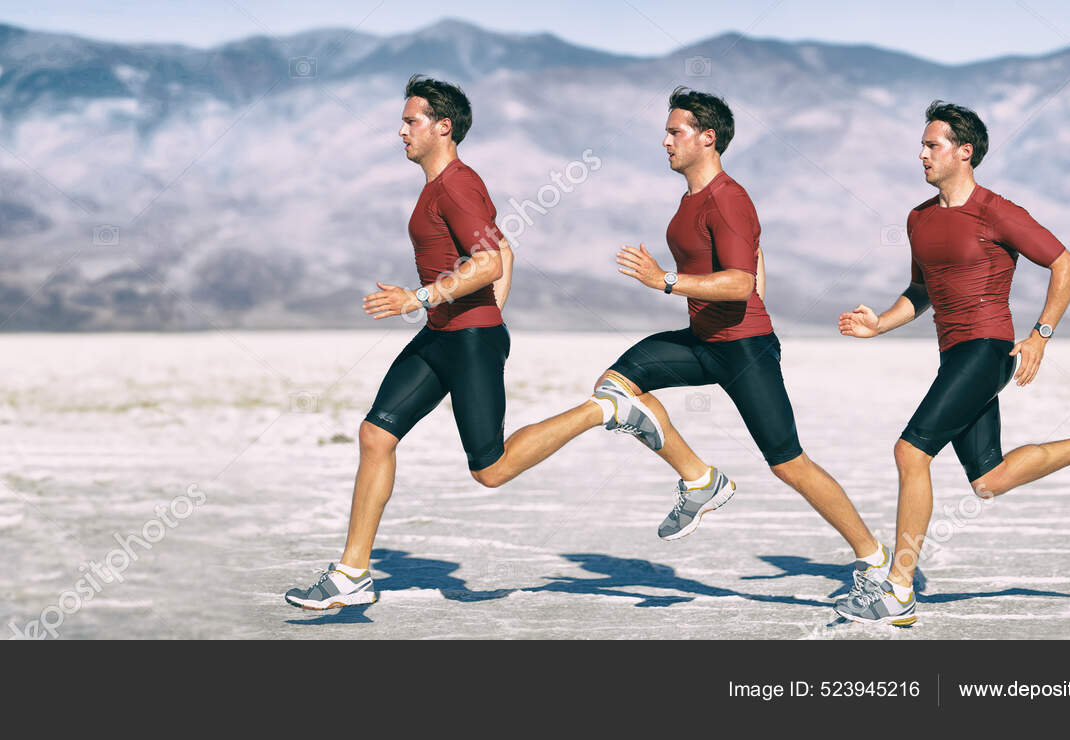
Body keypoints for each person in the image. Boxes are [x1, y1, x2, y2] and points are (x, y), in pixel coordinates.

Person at [463, 87, 884, 584]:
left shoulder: (727, 198)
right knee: (617, 386)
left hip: (744, 351)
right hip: (703, 341)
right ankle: (699, 479)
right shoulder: (693, 200)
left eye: (674, 131)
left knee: (788, 463)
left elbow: (741, 281)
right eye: (666, 131)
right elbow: (755, 256)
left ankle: (874, 558)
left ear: (708, 138)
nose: (665, 141)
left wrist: (664, 280)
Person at [834, 100, 1070, 626]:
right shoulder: (918, 219)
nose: (921, 154)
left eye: (932, 145)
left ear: (965, 152)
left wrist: (1040, 335)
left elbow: (1065, 264)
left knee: (910, 452)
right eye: (921, 145)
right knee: (989, 479)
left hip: (988, 350)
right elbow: (922, 291)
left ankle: (898, 589)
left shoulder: (995, 210)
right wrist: (879, 325)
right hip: (954, 354)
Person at [285, 74, 516, 609]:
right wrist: (473, 306)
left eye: (411, 121)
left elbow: (489, 262)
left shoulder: (457, 183)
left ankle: (603, 412)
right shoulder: (442, 185)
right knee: (375, 435)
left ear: (443, 126)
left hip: (469, 339)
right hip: (443, 336)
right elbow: (503, 250)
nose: (400, 131)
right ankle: (352, 574)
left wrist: (424, 298)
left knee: (492, 469)